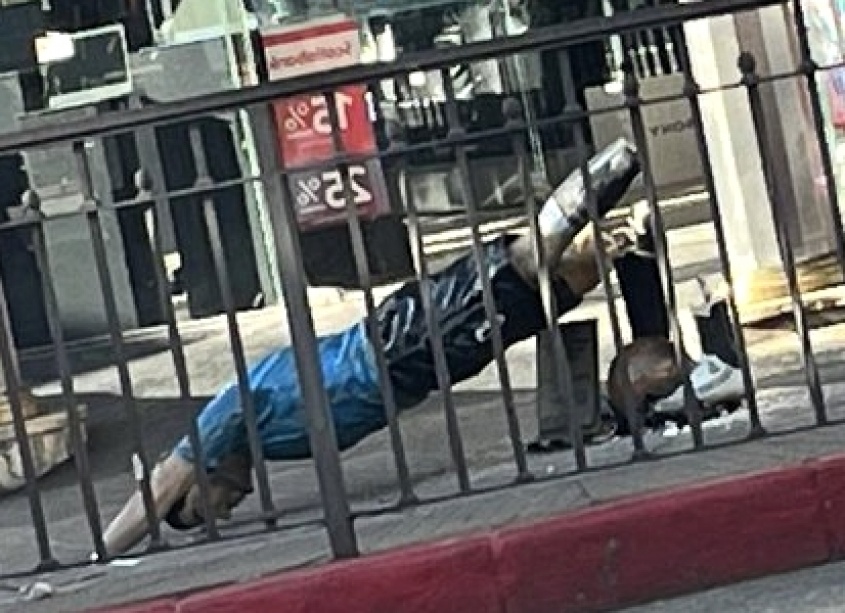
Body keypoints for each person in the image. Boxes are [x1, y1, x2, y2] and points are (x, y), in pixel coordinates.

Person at [100, 139, 645, 557]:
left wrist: (100, 556)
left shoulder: (224, 418)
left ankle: (615, 165)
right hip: (411, 364)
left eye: (203, 509)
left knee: (520, 268)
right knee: (548, 295)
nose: (223, 512)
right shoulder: (259, 441)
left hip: (397, 347)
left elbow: (160, 484)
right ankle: (629, 236)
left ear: (201, 475)